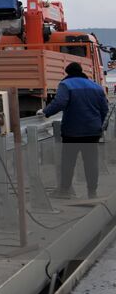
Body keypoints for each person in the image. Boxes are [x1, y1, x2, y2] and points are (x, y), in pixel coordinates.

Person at [43, 61, 109, 199]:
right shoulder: (96, 87)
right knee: (91, 162)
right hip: (92, 131)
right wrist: (100, 126)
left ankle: (65, 191)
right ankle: (92, 192)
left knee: (68, 161)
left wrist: (46, 112)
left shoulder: (66, 85)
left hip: (72, 131)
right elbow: (104, 109)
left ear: (68, 73)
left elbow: (60, 102)